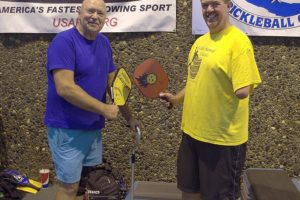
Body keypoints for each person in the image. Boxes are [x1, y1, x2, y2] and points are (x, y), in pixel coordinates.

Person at [159, 0, 262, 199]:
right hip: (191, 134)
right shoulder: (201, 42)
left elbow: (244, 89)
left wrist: (243, 86)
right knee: (189, 193)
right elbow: (195, 82)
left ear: (228, 5)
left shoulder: (239, 42)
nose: (209, 10)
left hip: (221, 142)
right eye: (205, 5)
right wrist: (175, 99)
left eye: (215, 4)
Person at [44, 0, 139, 199]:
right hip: (67, 130)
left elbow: (114, 85)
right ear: (79, 14)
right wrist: (104, 109)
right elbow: (65, 88)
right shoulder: (64, 42)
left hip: (92, 129)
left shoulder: (103, 43)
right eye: (90, 11)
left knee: (87, 185)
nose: (95, 16)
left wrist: (129, 118)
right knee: (68, 188)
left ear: (105, 19)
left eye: (100, 13)